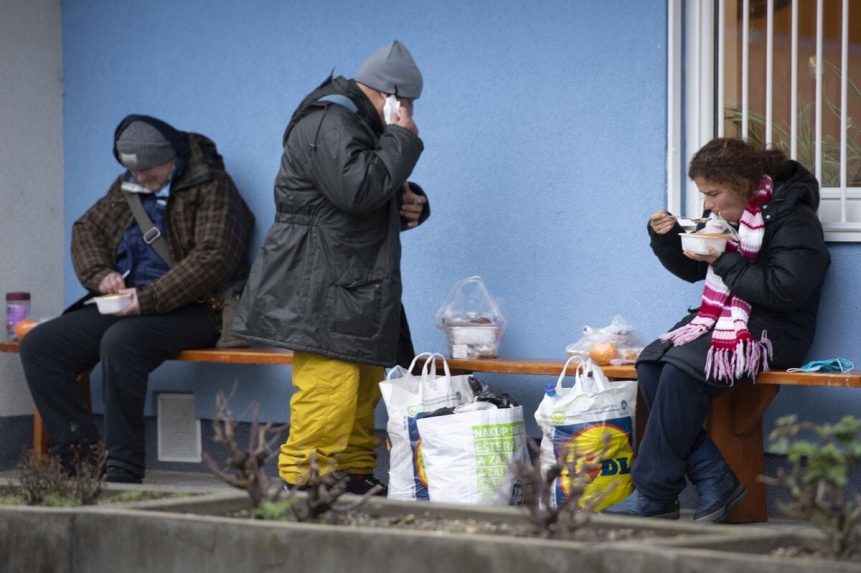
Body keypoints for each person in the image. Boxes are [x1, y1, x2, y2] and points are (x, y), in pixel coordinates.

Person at [232, 40, 430, 495]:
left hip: (352, 284)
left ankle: (352, 474)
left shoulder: (355, 124)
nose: (410, 113)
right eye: (409, 104)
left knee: (361, 388)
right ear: (393, 95)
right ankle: (303, 485)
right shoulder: (330, 121)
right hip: (320, 286)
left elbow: (356, 200)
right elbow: (358, 190)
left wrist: (412, 204)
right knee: (330, 391)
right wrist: (403, 137)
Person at [19, 114, 255, 483]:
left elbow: (214, 259)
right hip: (131, 303)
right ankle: (82, 460)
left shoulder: (212, 186)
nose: (142, 177)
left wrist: (146, 299)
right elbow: (86, 230)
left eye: (150, 168)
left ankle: (122, 468)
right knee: (41, 346)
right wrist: (101, 276)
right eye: (135, 170)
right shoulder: (127, 186)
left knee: (122, 340)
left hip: (199, 308)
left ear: (173, 155)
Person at [608, 137, 830, 522]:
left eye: (713, 193)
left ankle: (654, 495)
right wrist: (666, 240)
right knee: (652, 362)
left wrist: (724, 258)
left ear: (742, 185)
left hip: (775, 331)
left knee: (681, 370)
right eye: (703, 194)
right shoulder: (727, 219)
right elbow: (696, 270)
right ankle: (714, 477)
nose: (707, 204)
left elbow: (784, 290)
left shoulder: (795, 220)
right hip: (725, 321)